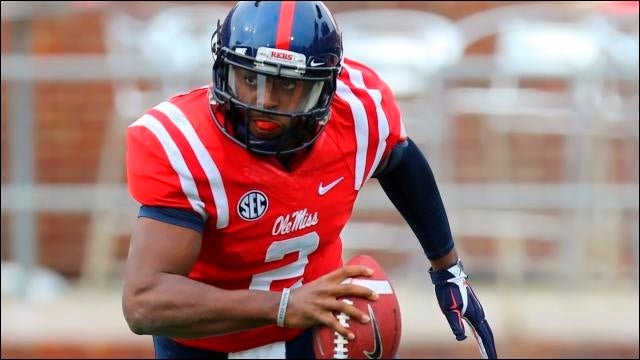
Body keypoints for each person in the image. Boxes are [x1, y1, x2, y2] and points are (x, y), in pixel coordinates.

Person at [122, 1, 497, 359]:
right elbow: (144, 301)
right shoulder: (186, 145)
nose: (264, 100)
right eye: (250, 77)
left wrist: (447, 266)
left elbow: (398, 159)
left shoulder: (355, 113)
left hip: (316, 333)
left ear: (324, 89)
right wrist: (284, 305)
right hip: (207, 346)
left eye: (286, 85)